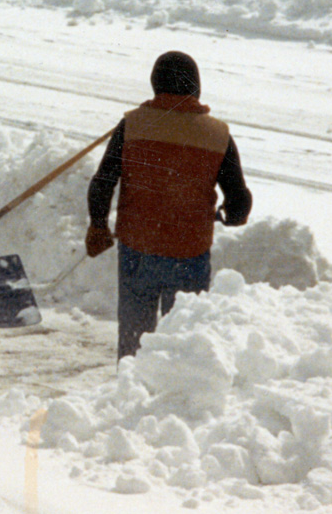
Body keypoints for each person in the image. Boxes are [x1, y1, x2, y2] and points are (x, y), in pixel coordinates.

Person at [85, 51, 252, 359]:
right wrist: (227, 216)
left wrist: (98, 224)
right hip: (190, 253)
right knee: (183, 340)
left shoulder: (132, 125)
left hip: (138, 248)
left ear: (155, 85)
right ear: (196, 86)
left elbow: (103, 180)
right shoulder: (218, 134)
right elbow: (239, 202)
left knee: (134, 341)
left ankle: (130, 391)